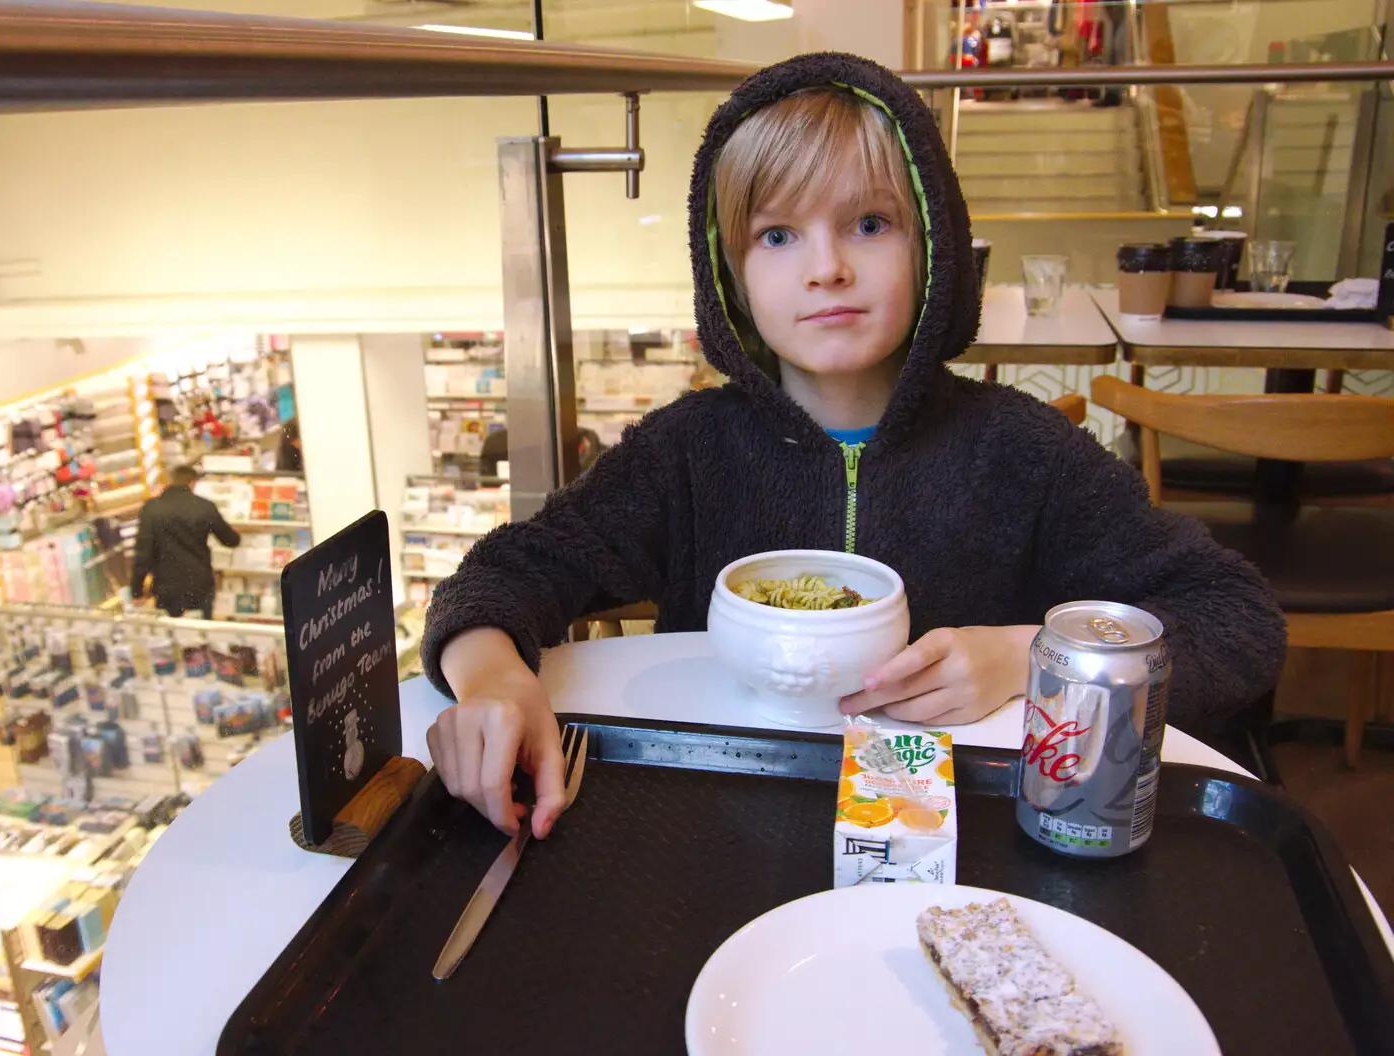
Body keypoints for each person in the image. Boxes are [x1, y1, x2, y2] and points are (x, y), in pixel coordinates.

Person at [420, 53, 1287, 842]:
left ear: (935, 246)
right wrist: (494, 678)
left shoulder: (1022, 451)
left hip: (964, 836)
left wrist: (1024, 657)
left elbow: (1235, 619)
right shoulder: (686, 452)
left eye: (870, 224)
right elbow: (500, 577)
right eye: (777, 235)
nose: (826, 267)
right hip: (716, 826)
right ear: (730, 275)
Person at [130, 464, 241, 619]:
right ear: (193, 482)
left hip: (166, 585)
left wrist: (136, 590)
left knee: (170, 633)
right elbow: (230, 541)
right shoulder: (204, 507)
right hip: (199, 583)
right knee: (201, 634)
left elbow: (143, 553)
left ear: (170, 481)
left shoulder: (151, 508)